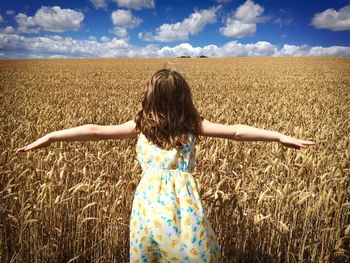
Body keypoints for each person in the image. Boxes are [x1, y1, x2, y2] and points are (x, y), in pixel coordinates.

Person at [16, 68, 315, 262]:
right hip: (183, 206)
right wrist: (278, 136)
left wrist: (52, 137)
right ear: (184, 97)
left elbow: (94, 131)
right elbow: (237, 131)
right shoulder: (191, 124)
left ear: (150, 97)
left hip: (147, 205)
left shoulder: (140, 125)